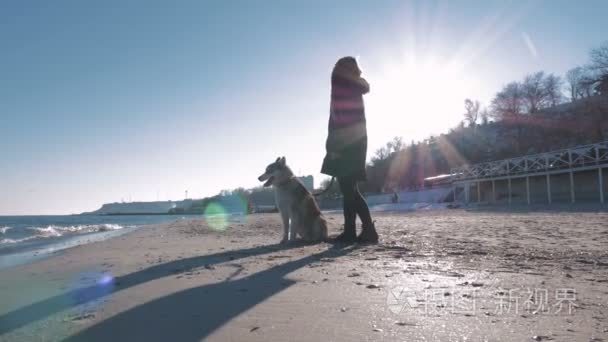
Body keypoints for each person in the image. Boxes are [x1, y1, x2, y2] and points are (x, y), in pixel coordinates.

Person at [321, 56, 378, 243]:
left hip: (346, 143)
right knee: (350, 189)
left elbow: (338, 118)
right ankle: (360, 231)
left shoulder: (339, 82)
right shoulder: (354, 86)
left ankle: (356, 231)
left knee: (348, 189)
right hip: (357, 141)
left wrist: (334, 147)